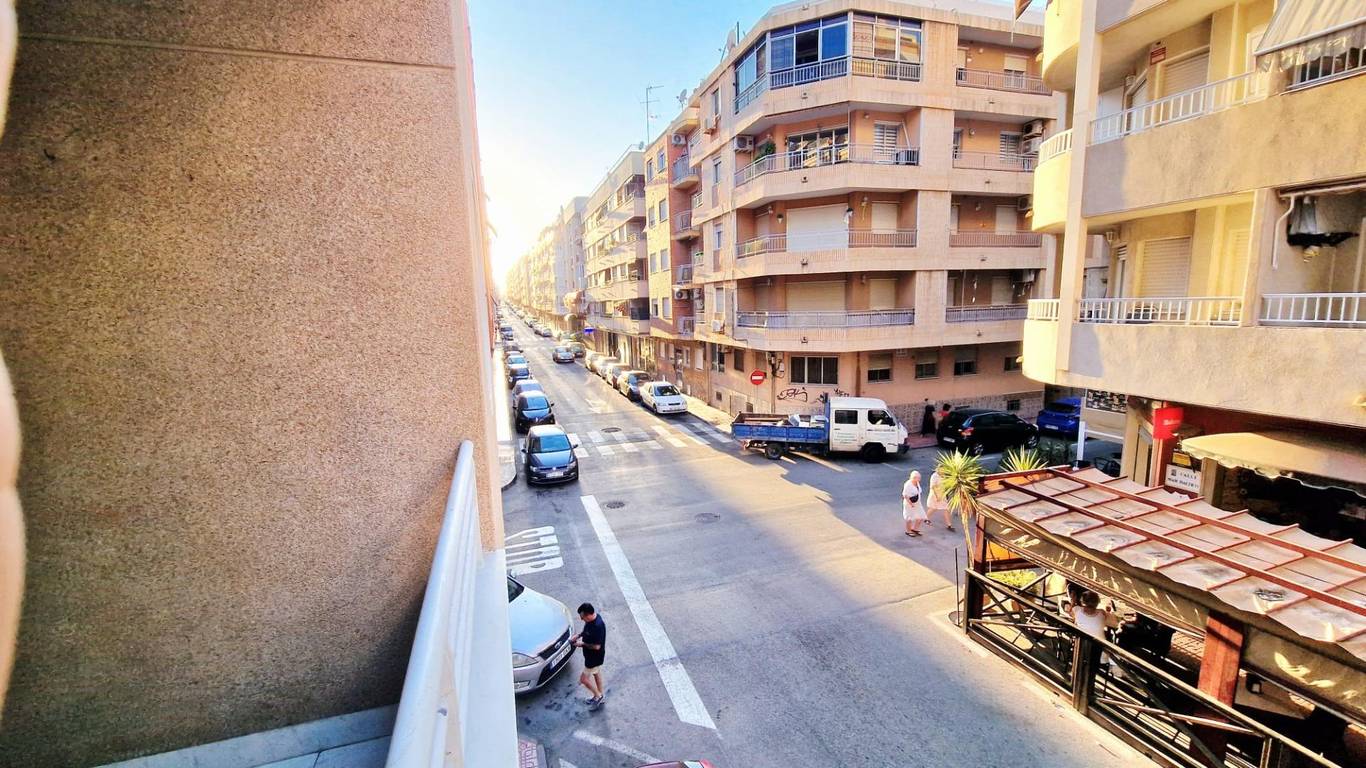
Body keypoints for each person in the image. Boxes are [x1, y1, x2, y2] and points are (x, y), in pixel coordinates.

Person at [572, 602, 607, 709]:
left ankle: (598, 696)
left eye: (582, 617)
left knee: (583, 680)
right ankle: (600, 695)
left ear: (588, 615)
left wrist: (582, 644)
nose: (581, 619)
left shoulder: (598, 626)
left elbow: (597, 646)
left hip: (593, 658)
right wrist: (578, 635)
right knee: (596, 673)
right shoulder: (591, 621)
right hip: (592, 657)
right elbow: (587, 631)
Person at [902, 470, 927, 537]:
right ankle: (908, 531)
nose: (920, 479)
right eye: (918, 478)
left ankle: (915, 529)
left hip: (917, 503)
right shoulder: (908, 484)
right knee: (909, 518)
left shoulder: (917, 483)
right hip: (910, 503)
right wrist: (911, 504)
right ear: (914, 478)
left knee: (920, 516)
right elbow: (905, 495)